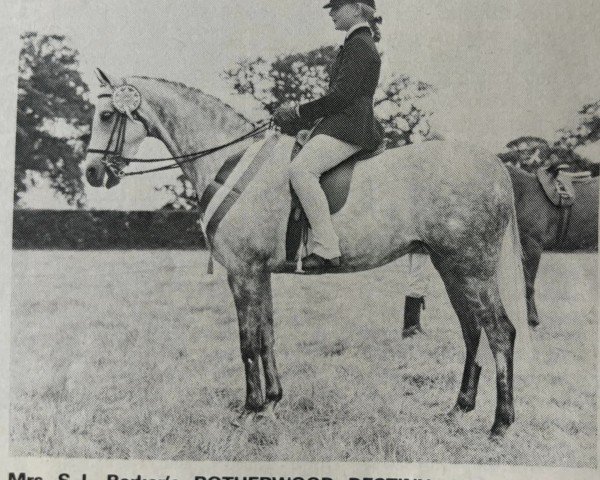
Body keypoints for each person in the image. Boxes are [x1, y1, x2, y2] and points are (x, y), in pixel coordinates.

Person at [273, 0, 384, 270]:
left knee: (301, 170)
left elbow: (342, 97)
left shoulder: (359, 44)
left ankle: (326, 247)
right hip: (344, 123)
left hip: (351, 126)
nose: (332, 13)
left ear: (357, 8)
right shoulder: (356, 42)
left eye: (337, 7)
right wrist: (313, 128)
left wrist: (298, 111)